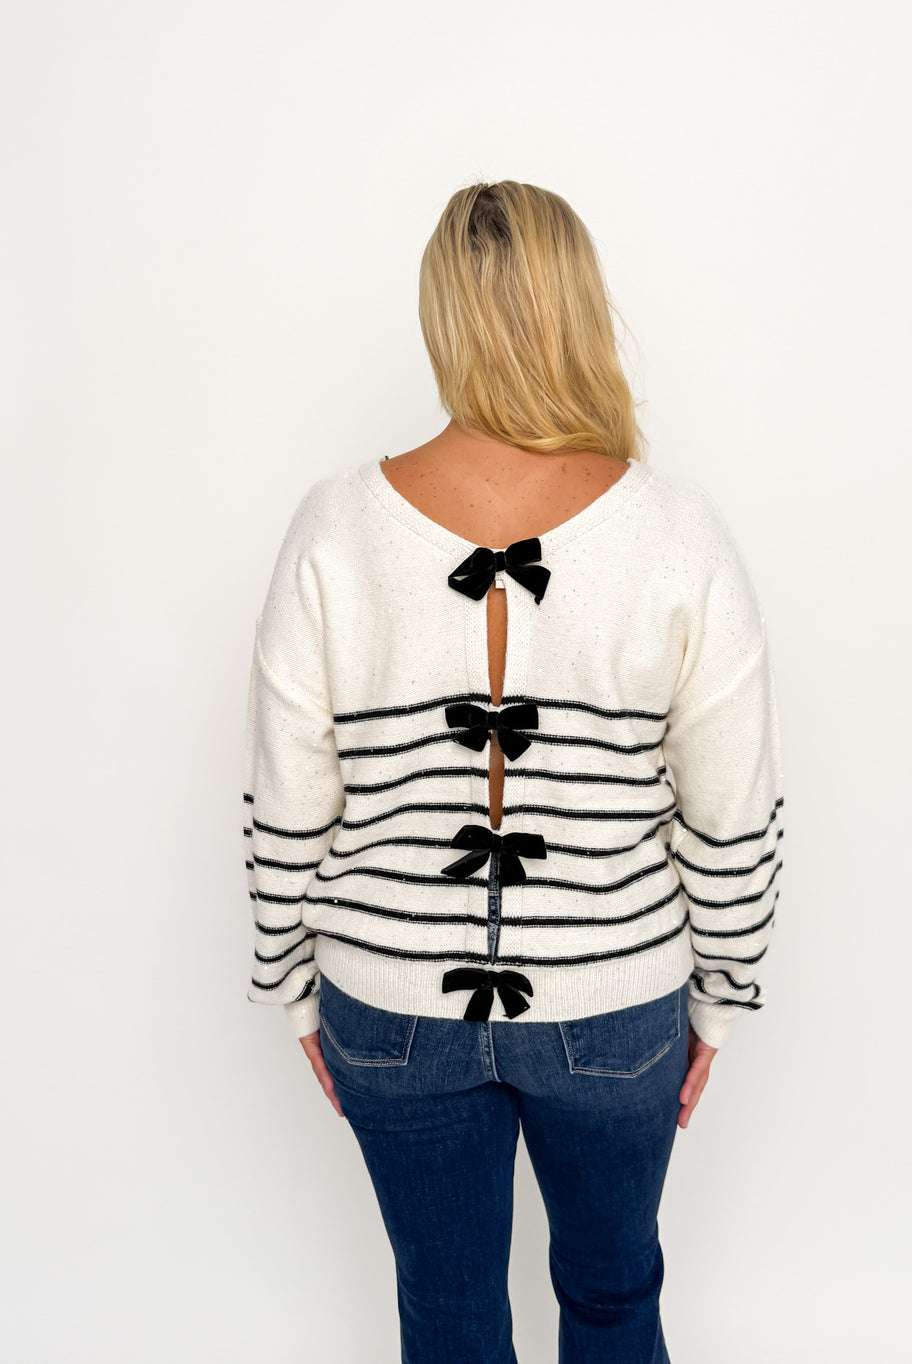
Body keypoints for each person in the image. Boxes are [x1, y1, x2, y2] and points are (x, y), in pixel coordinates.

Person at [241, 180, 784, 1364]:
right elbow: (729, 814)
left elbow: (289, 798)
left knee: (444, 1308)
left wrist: (291, 984)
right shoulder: (676, 533)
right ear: (579, 305)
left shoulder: (335, 526)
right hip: (616, 1001)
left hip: (388, 1003)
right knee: (613, 1291)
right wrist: (722, 996)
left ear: (440, 311)